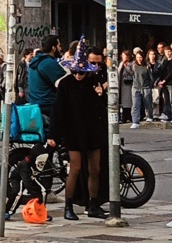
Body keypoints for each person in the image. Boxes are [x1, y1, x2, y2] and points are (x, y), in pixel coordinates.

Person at [50, 38, 108, 221]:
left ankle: (93, 204)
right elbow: (58, 111)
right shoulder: (66, 84)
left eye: (82, 72)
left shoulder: (94, 81)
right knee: (75, 167)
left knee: (95, 169)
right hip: (73, 130)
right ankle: (68, 205)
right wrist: (53, 135)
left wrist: (101, 94)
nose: (78, 75)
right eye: (76, 71)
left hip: (92, 130)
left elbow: (102, 108)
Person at [27, 35, 65, 123]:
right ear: (53, 48)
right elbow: (66, 84)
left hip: (35, 104)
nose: (60, 48)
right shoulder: (49, 64)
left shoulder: (35, 62)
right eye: (59, 45)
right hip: (48, 105)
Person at [130, 49, 152, 128]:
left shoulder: (147, 66)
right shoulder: (133, 65)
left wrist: (150, 86)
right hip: (136, 87)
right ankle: (135, 121)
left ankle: (149, 116)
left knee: (148, 103)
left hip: (145, 86)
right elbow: (130, 74)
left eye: (140, 57)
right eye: (137, 57)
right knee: (136, 104)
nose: (139, 59)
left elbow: (150, 77)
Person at [117, 51, 133, 123]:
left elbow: (132, 73)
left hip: (128, 84)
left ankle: (127, 116)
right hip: (120, 84)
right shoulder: (120, 63)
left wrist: (126, 66)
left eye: (126, 56)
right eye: (123, 56)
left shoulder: (132, 63)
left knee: (127, 101)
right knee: (121, 102)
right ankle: (122, 116)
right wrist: (121, 65)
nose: (125, 57)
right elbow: (118, 72)